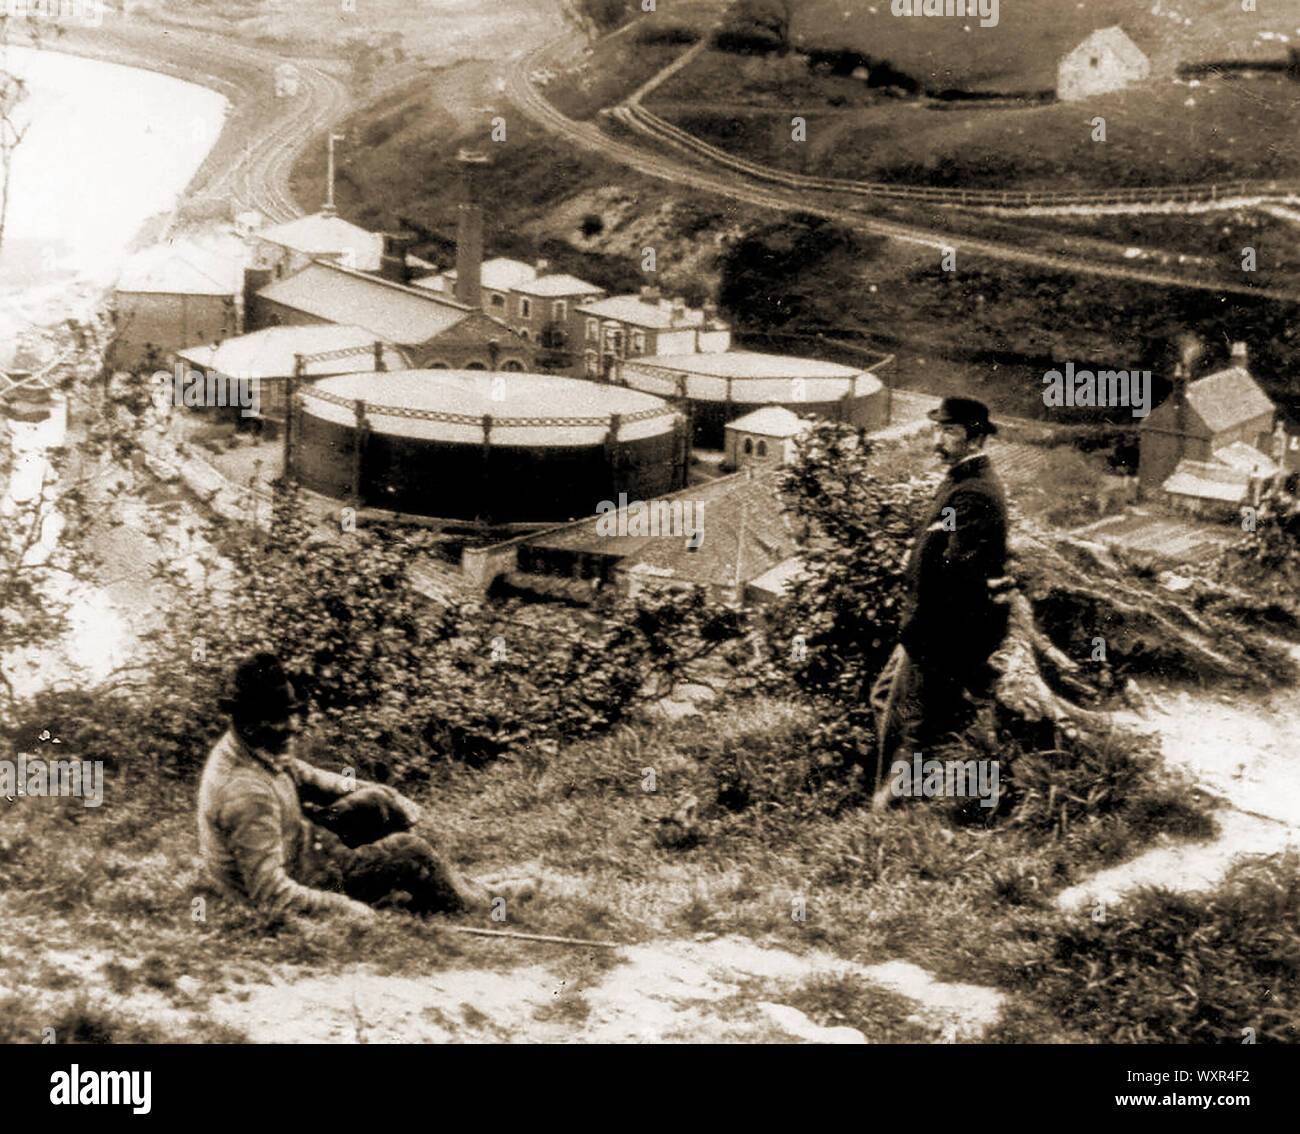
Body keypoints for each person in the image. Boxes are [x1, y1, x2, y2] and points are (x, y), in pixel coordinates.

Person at [198, 652, 535, 921]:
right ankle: (488, 903)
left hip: (308, 850)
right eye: (280, 718)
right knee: (408, 851)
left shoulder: (255, 748)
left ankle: (465, 885)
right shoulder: (244, 790)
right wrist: (343, 908)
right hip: (307, 877)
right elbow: (271, 893)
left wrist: (385, 792)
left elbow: (313, 778)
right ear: (248, 721)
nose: (293, 726)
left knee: (376, 802)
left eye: (292, 714)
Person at [869, 396, 1010, 810]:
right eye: (937, 430)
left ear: (976, 437)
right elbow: (942, 544)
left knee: (911, 724)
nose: (939, 439)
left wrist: (923, 640)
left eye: (949, 432)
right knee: (886, 699)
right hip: (927, 624)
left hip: (938, 631)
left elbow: (956, 573)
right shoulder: (961, 480)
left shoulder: (976, 491)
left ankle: (890, 813)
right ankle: (913, 794)